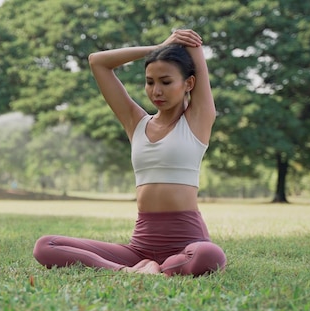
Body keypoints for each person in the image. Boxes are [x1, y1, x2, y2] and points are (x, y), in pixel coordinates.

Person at [33, 29, 226, 276]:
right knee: (45, 246)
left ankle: (156, 269)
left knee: (209, 255)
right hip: (140, 247)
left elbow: (195, 47)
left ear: (189, 83)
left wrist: (181, 45)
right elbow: (98, 62)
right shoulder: (136, 122)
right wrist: (157, 47)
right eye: (150, 82)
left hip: (186, 242)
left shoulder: (198, 120)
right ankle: (130, 271)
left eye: (166, 82)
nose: (156, 91)